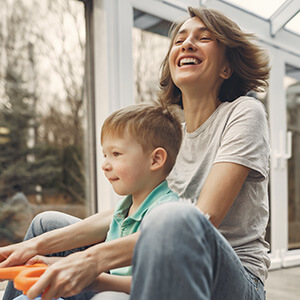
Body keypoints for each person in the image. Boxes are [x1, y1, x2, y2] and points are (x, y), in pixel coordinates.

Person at [0, 6, 270, 300]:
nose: (187, 44)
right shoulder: (173, 135)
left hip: (231, 278)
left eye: (204, 38)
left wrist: (92, 263)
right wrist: (35, 247)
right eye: (179, 40)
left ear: (226, 68)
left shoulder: (244, 113)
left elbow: (202, 220)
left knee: (175, 218)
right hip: (161, 252)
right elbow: (126, 214)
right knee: (44, 225)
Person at [1, 103, 182, 300]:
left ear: (155, 160)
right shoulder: (126, 207)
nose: (104, 165)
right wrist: (54, 263)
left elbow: (156, 286)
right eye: (105, 155)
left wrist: (91, 278)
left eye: (116, 154)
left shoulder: (166, 214)